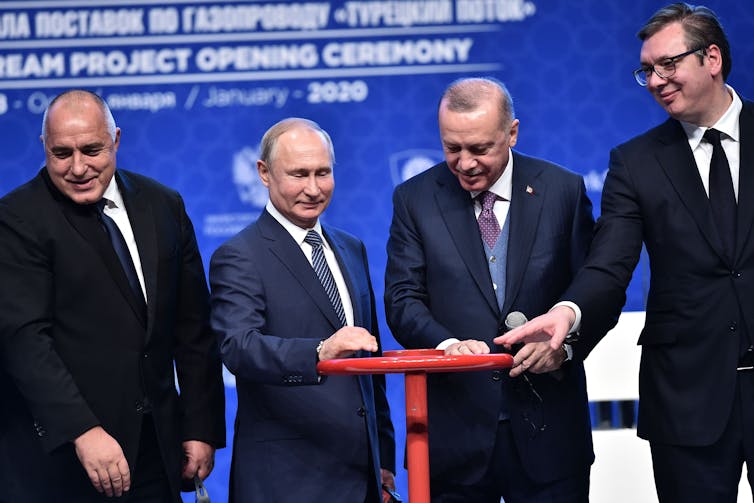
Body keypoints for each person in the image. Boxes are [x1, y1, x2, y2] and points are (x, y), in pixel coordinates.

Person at [498, 3, 754, 501]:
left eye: (668, 64)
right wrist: (568, 314)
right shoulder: (636, 163)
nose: (656, 81)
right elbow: (609, 265)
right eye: (647, 70)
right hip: (689, 399)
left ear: (713, 58)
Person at [0, 89, 226, 502]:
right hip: (61, 463)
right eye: (61, 153)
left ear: (116, 140)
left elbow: (193, 327)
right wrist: (81, 430)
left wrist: (199, 425)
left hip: (157, 452)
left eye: (92, 149)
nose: (78, 167)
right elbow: (24, 341)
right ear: (43, 148)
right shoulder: (16, 218)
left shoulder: (163, 205)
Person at [384, 77, 597, 502]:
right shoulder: (414, 199)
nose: (465, 163)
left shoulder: (563, 191)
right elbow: (402, 299)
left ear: (512, 133)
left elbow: (594, 290)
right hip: (453, 438)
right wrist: (446, 345)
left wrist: (566, 347)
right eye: (452, 148)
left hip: (550, 435)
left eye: (480, 149)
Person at [209, 117, 396, 502]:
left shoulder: (351, 248)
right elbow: (239, 347)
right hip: (287, 479)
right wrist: (318, 351)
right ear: (264, 173)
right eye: (298, 174)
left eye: (322, 173)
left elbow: (369, 363)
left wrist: (384, 456)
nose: (313, 189)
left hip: (361, 475)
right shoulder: (239, 255)